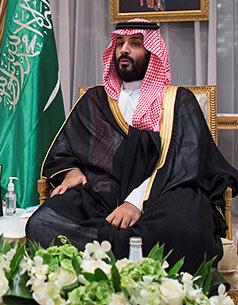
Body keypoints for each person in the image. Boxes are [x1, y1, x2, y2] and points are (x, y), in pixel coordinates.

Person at [25, 19, 238, 272]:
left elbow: (186, 163)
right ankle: (117, 262)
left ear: (152, 52)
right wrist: (71, 170)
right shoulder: (95, 100)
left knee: (186, 228)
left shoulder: (178, 101)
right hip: (100, 194)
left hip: (163, 194)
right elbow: (66, 148)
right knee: (42, 223)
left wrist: (136, 202)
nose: (124, 49)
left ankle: (112, 259)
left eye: (135, 44)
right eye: (119, 43)